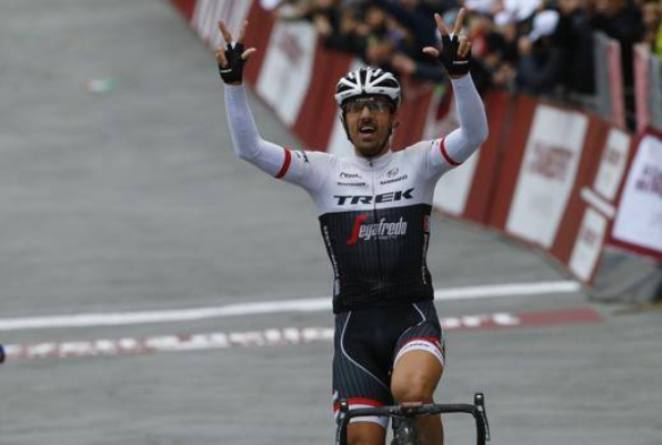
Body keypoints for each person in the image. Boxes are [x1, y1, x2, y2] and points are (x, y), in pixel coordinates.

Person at [216, 8, 487, 445]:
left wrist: (459, 74)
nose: (366, 116)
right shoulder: (322, 172)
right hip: (354, 333)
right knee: (362, 440)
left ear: (394, 116)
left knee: (411, 393)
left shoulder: (420, 164)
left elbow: (473, 134)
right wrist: (233, 85)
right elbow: (249, 149)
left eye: (376, 107)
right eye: (356, 108)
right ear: (343, 120)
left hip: (411, 318)